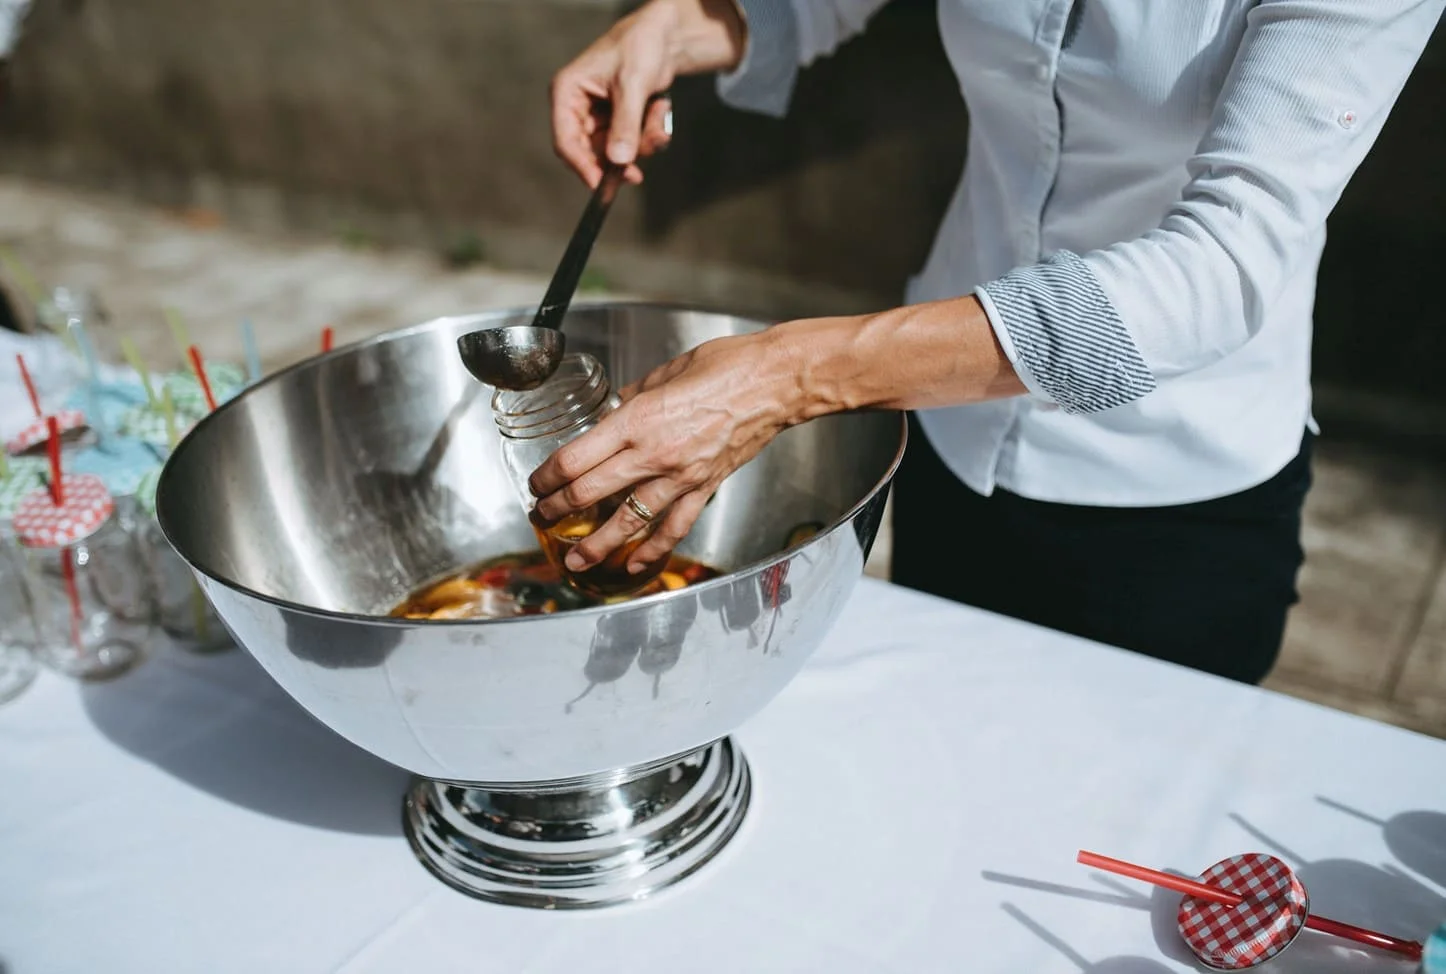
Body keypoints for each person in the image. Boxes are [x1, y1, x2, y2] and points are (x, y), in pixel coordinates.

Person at [530, 0, 1444, 684]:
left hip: (1173, 494)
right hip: (951, 432)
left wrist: (790, 375)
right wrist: (684, 25)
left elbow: (1221, 269)